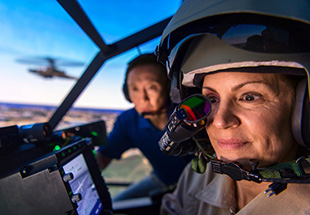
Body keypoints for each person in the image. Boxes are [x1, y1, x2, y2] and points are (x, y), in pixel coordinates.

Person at [155, 0, 310, 214]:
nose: (220, 121)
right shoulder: (198, 176)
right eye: (212, 99)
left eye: (249, 97)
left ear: (303, 109)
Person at [96, 54, 191, 201]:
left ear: (168, 88)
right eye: (135, 89)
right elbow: (103, 156)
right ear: (127, 93)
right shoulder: (127, 122)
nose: (143, 98)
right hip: (162, 181)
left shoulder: (187, 112)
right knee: (117, 205)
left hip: (202, 181)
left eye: (152, 87)